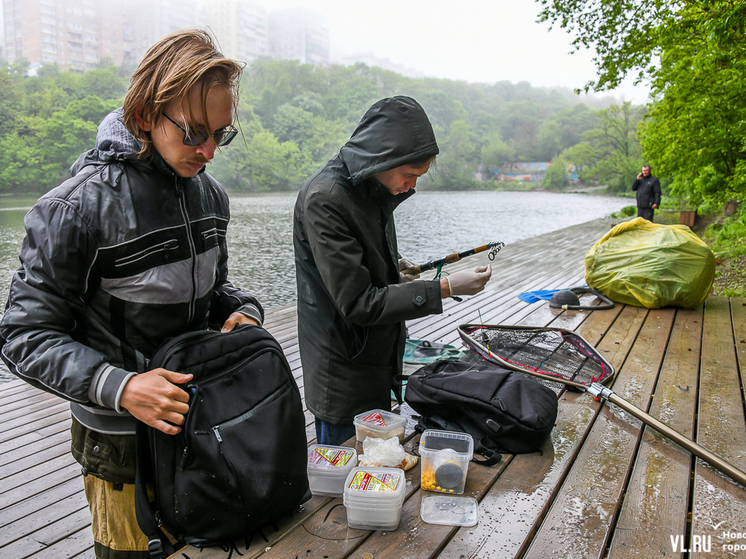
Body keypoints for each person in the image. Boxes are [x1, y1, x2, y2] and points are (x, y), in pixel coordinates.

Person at [0, 30, 263, 559]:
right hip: (120, 447)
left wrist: (243, 311)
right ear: (144, 116)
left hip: (200, 422)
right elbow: (21, 336)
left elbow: (215, 291)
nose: (208, 152)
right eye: (193, 132)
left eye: (220, 135)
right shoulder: (74, 209)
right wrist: (121, 387)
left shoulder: (210, 195)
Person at [293, 95, 492, 446]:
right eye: (409, 174)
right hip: (341, 367)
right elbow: (359, 303)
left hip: (376, 358)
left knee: (378, 461)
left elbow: (358, 258)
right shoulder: (325, 199)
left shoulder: (373, 187)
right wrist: (445, 286)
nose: (412, 185)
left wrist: (393, 265)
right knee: (345, 473)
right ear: (383, 158)